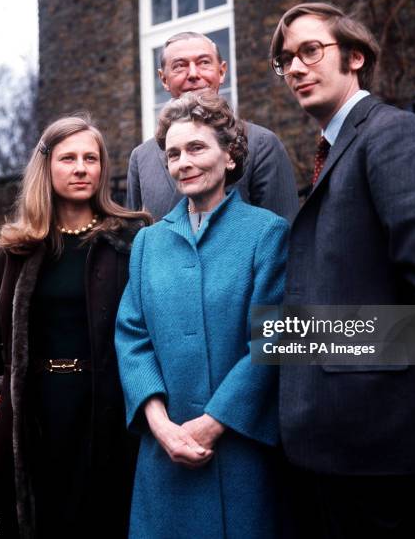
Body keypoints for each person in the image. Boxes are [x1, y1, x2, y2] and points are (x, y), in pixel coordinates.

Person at [269, 2, 415, 538]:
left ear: (355, 58)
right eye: (284, 60)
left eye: (309, 50)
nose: (295, 68)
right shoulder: (334, 150)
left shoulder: (394, 134)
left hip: (376, 440)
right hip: (325, 438)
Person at [0, 115, 151, 538]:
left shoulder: (131, 239)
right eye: (68, 158)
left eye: (91, 158)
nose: (81, 168)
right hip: (33, 408)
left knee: (99, 517)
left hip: (106, 405)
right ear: (46, 168)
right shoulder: (17, 247)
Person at [115, 90, 289, 538]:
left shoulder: (266, 234)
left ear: (230, 156)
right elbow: (132, 338)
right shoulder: (147, 244)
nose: (182, 162)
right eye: (173, 154)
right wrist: (161, 426)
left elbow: (272, 341)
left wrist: (212, 425)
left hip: (238, 452)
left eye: (196, 148)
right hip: (163, 454)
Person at [126, 31, 299, 222]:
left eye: (204, 63)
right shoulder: (141, 158)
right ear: (164, 79)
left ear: (222, 71)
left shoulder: (262, 143)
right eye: (179, 66)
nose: (193, 74)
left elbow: (284, 236)